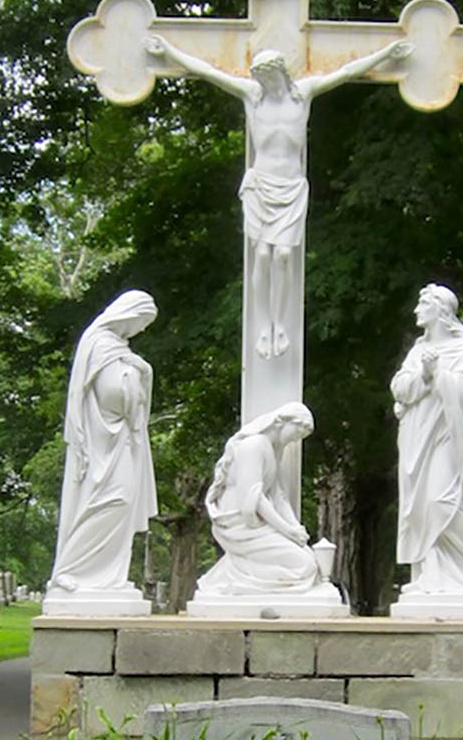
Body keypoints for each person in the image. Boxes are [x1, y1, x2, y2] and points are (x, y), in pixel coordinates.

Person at [144, 35, 410, 358]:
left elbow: (346, 71)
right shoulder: (253, 96)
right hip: (260, 186)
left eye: (269, 76)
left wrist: (384, 53)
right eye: (260, 78)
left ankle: (279, 325)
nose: (265, 82)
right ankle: (263, 326)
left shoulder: (303, 95)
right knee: (262, 255)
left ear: (280, 73)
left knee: (283, 255)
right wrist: (170, 51)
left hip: (291, 187)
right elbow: (209, 71)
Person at [47, 290, 158, 597]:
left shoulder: (115, 347)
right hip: (104, 443)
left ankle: (103, 576)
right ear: (129, 314)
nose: (143, 329)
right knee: (112, 500)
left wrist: (141, 371)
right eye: (143, 322)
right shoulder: (101, 343)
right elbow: (114, 394)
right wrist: (137, 375)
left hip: (118, 439)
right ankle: (70, 571)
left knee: (118, 502)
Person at [391, 284, 463, 601]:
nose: (416, 311)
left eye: (422, 304)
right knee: (421, 508)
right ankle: (430, 576)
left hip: (450, 435)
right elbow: (399, 388)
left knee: (441, 501)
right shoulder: (417, 351)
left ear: (440, 310)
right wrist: (423, 375)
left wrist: (440, 376)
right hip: (417, 438)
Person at [195, 401, 331, 596]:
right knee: (305, 565)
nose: (297, 439)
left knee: (308, 558)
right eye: (298, 431)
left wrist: (294, 528)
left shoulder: (274, 451)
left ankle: (232, 574)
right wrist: (286, 530)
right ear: (282, 422)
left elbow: (279, 496)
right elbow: (253, 496)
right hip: (240, 523)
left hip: (257, 521)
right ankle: (231, 581)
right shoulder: (254, 445)